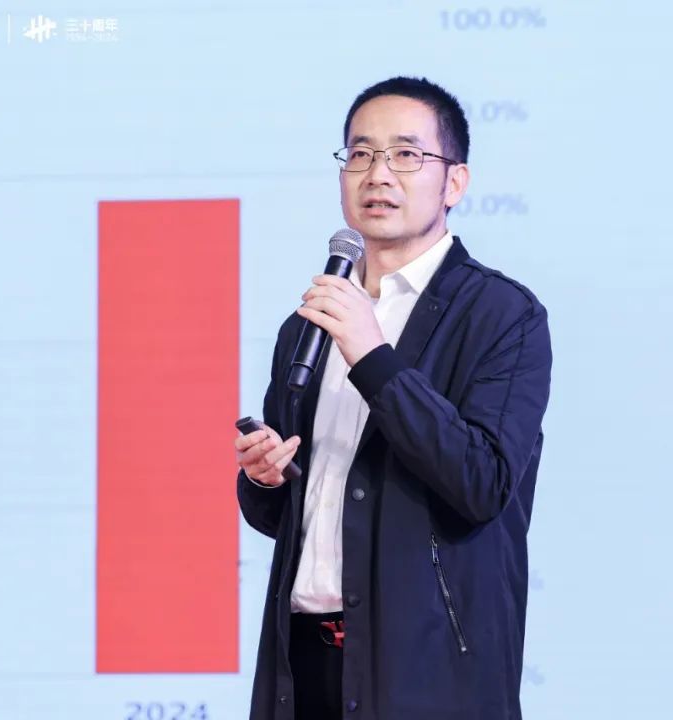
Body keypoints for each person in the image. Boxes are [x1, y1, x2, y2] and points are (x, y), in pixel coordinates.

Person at [235, 76, 552, 720]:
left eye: (406, 154)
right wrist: (266, 478)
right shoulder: (308, 325)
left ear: (454, 182)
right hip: (305, 662)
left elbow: (482, 483)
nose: (378, 173)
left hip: (428, 673)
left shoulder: (503, 315)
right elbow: (296, 515)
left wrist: (373, 356)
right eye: (360, 153)